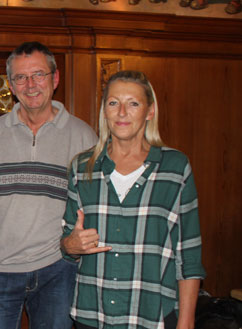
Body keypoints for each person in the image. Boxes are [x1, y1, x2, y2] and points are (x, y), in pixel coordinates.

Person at [0, 41, 98, 329]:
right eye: (20, 77)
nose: (30, 85)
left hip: (59, 269)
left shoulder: (84, 137)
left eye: (38, 74)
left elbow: (95, 206)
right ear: (11, 85)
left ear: (55, 79)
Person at [61, 70, 205, 329]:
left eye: (134, 103)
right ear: (104, 111)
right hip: (92, 315)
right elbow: (68, 244)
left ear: (150, 111)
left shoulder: (174, 167)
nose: (122, 112)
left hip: (153, 315)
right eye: (114, 103)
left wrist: (186, 320)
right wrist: (70, 245)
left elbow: (189, 254)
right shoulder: (82, 168)